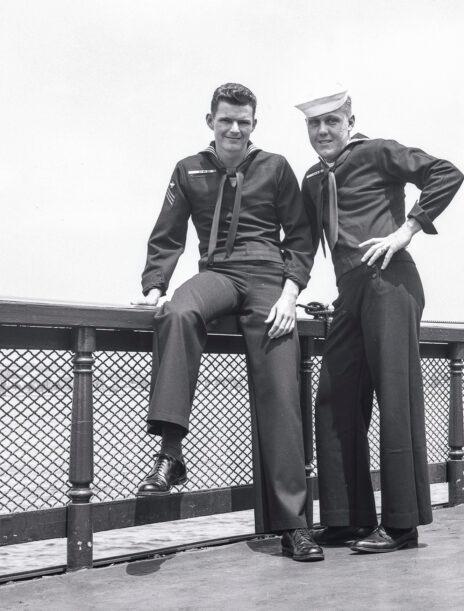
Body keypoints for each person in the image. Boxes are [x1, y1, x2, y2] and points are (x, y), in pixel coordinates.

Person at [131, 83, 323, 562]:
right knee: (177, 312)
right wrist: (155, 285)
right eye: (225, 121)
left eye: (243, 121)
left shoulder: (276, 168)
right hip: (217, 273)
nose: (234, 129)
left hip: (267, 280)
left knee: (281, 395)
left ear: (254, 124)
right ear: (210, 122)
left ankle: (294, 526)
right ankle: (171, 455)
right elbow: (168, 233)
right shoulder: (189, 168)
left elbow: (301, 234)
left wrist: (291, 292)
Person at [296, 90, 464, 553]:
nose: (324, 131)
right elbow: (304, 244)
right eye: (314, 125)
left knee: (395, 398)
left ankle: (401, 527)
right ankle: (347, 518)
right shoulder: (312, 178)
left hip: (391, 284)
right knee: (333, 401)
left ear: (350, 120)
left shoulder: (376, 151)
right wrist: (287, 291)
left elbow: (446, 172)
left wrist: (407, 229)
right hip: (348, 294)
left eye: (332, 121)